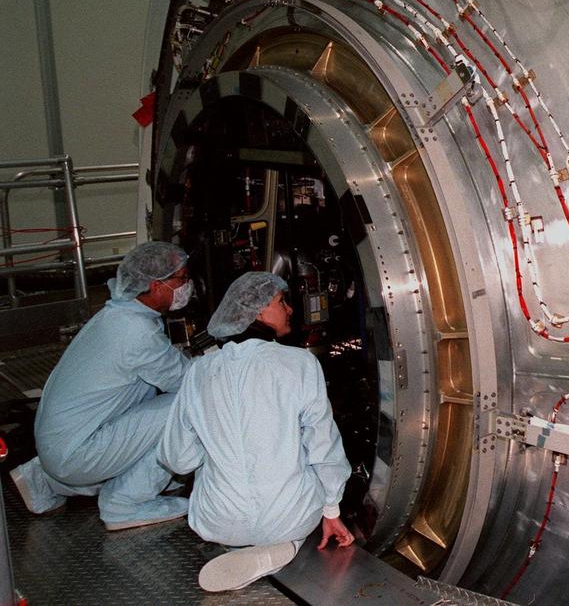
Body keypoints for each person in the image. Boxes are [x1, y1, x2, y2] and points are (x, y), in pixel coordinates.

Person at [159, 271, 353, 592]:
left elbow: (178, 459)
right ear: (258, 311)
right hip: (289, 520)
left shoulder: (199, 371)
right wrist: (331, 510)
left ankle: (240, 544)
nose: (290, 309)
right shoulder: (300, 363)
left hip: (216, 521)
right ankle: (286, 548)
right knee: (301, 470)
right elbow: (323, 447)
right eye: (282, 301)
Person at [9, 240, 193, 529]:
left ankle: (42, 482)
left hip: (56, 448)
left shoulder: (116, 316)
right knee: (190, 405)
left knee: (150, 407)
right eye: (181, 279)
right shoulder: (136, 332)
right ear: (157, 286)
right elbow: (189, 382)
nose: (187, 286)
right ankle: (125, 504)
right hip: (76, 454)